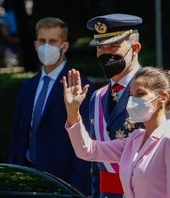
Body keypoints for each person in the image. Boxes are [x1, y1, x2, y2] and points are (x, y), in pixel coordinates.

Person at [8, 17, 95, 196]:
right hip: (26, 178)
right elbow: (18, 135)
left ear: (64, 46)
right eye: (42, 41)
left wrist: (75, 188)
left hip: (61, 183)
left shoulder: (79, 86)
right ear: (35, 44)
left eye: (53, 41)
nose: (46, 46)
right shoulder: (27, 86)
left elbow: (85, 140)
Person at [63, 66, 170, 198]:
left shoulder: (167, 139)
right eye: (131, 95)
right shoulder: (135, 139)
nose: (133, 100)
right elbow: (87, 150)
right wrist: (73, 111)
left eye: (140, 93)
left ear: (163, 98)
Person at [72, 13, 144, 198]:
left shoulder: (153, 91)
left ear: (135, 48)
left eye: (113, 46)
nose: (106, 53)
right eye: (100, 48)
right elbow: (96, 165)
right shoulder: (97, 97)